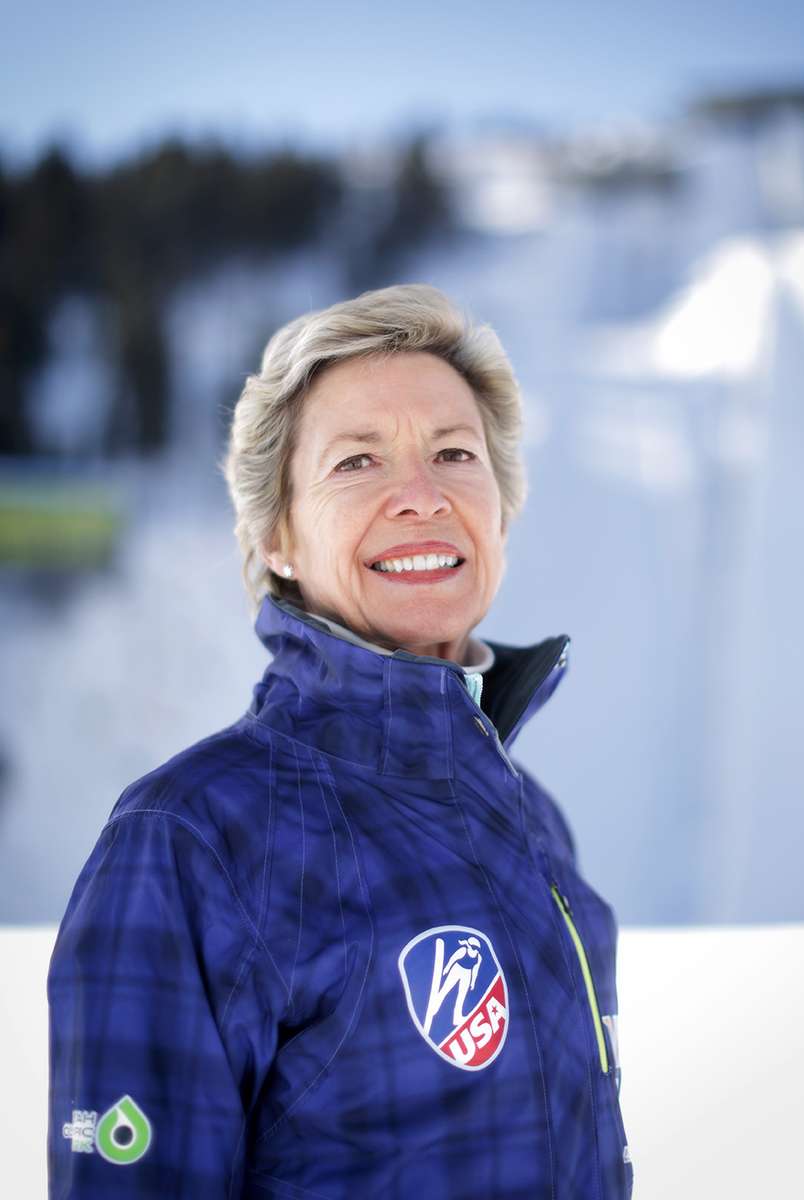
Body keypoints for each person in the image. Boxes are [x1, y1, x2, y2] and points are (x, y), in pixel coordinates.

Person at [47, 283, 634, 1198]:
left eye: (454, 453)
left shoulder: (532, 821)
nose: (420, 497)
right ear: (277, 534)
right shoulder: (194, 838)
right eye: (357, 463)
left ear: (502, 511)